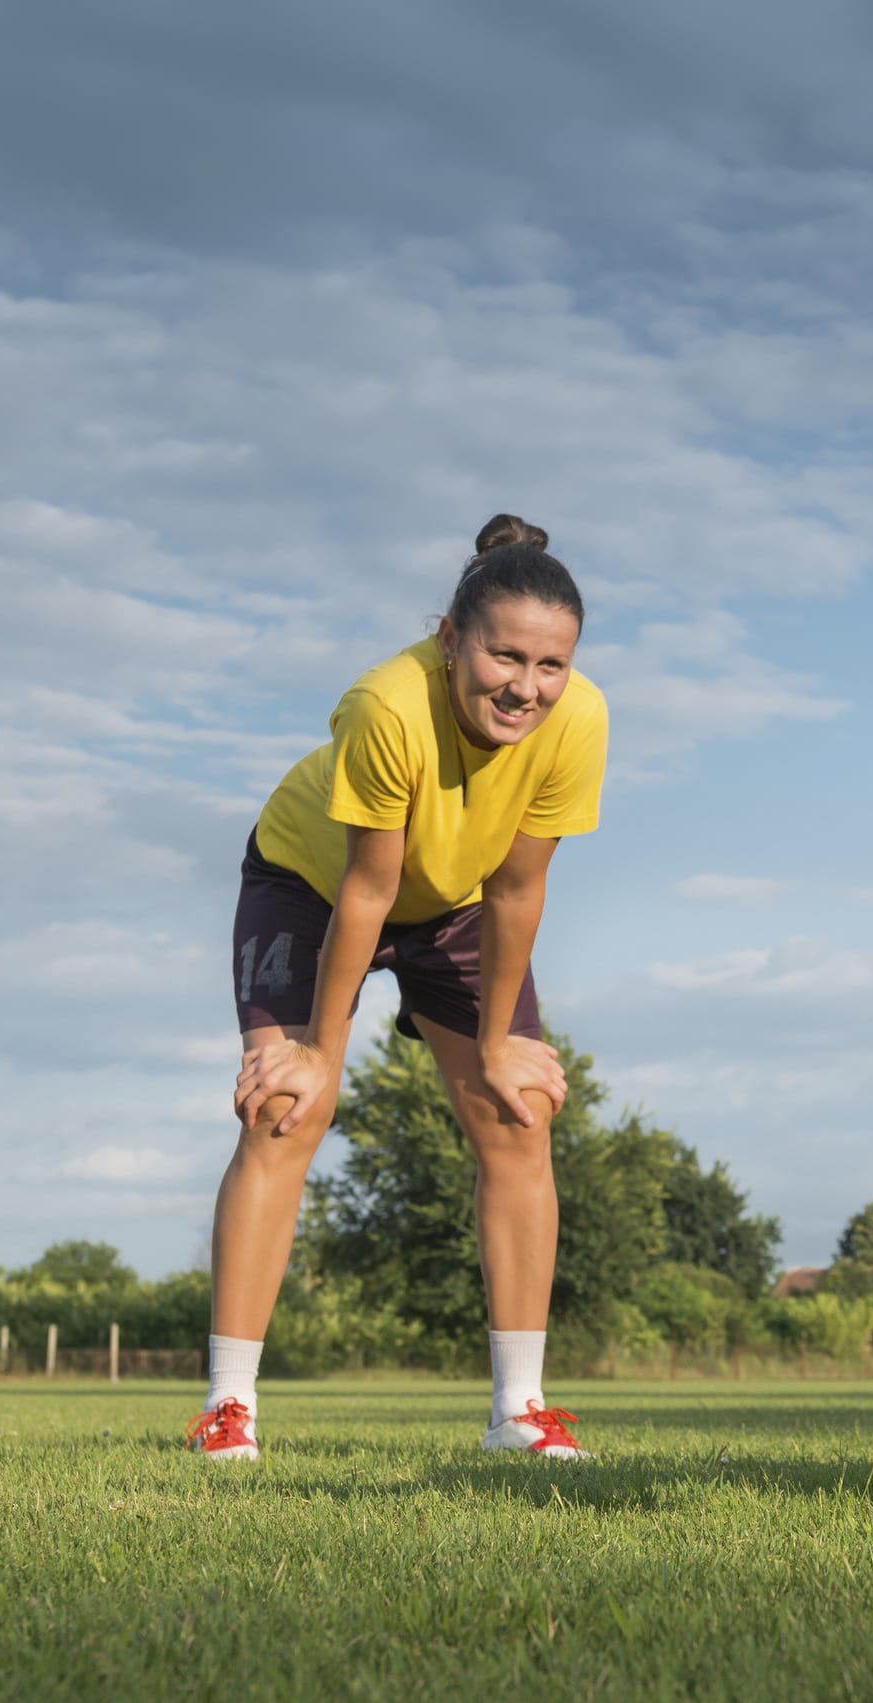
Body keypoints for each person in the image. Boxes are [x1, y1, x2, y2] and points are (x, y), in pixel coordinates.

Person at [186, 513, 607, 1463]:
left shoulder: (580, 719)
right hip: (313, 883)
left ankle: (520, 1413)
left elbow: (519, 885)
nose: (527, 686)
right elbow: (369, 889)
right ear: (451, 639)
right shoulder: (387, 705)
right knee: (285, 1110)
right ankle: (229, 1409)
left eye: (551, 665)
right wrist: (316, 1056)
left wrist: (498, 1044)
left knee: (522, 1108)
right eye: (504, 657)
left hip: (456, 897)